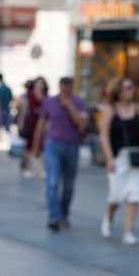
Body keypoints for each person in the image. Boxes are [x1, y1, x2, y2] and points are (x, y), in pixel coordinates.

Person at [32, 77, 88, 231]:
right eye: (63, 86)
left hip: (71, 144)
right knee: (53, 182)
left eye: (68, 87)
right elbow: (41, 124)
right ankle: (54, 216)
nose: (65, 89)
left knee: (68, 185)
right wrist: (37, 146)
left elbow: (82, 122)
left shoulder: (78, 102)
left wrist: (69, 105)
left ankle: (64, 212)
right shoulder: (50, 101)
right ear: (60, 86)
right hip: (53, 144)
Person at [99, 77, 139, 246]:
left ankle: (128, 231)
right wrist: (109, 158)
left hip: (136, 156)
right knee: (116, 196)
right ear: (118, 91)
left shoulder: (137, 109)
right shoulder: (110, 110)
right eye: (127, 88)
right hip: (119, 157)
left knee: (135, 194)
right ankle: (109, 215)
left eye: (132, 87)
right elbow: (104, 135)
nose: (131, 91)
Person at [17, 77, 48, 179]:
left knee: (41, 145)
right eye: (39, 83)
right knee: (28, 146)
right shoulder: (29, 95)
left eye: (42, 83)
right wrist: (21, 123)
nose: (40, 85)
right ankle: (28, 168)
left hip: (41, 122)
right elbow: (24, 109)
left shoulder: (45, 96)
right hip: (31, 122)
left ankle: (40, 168)